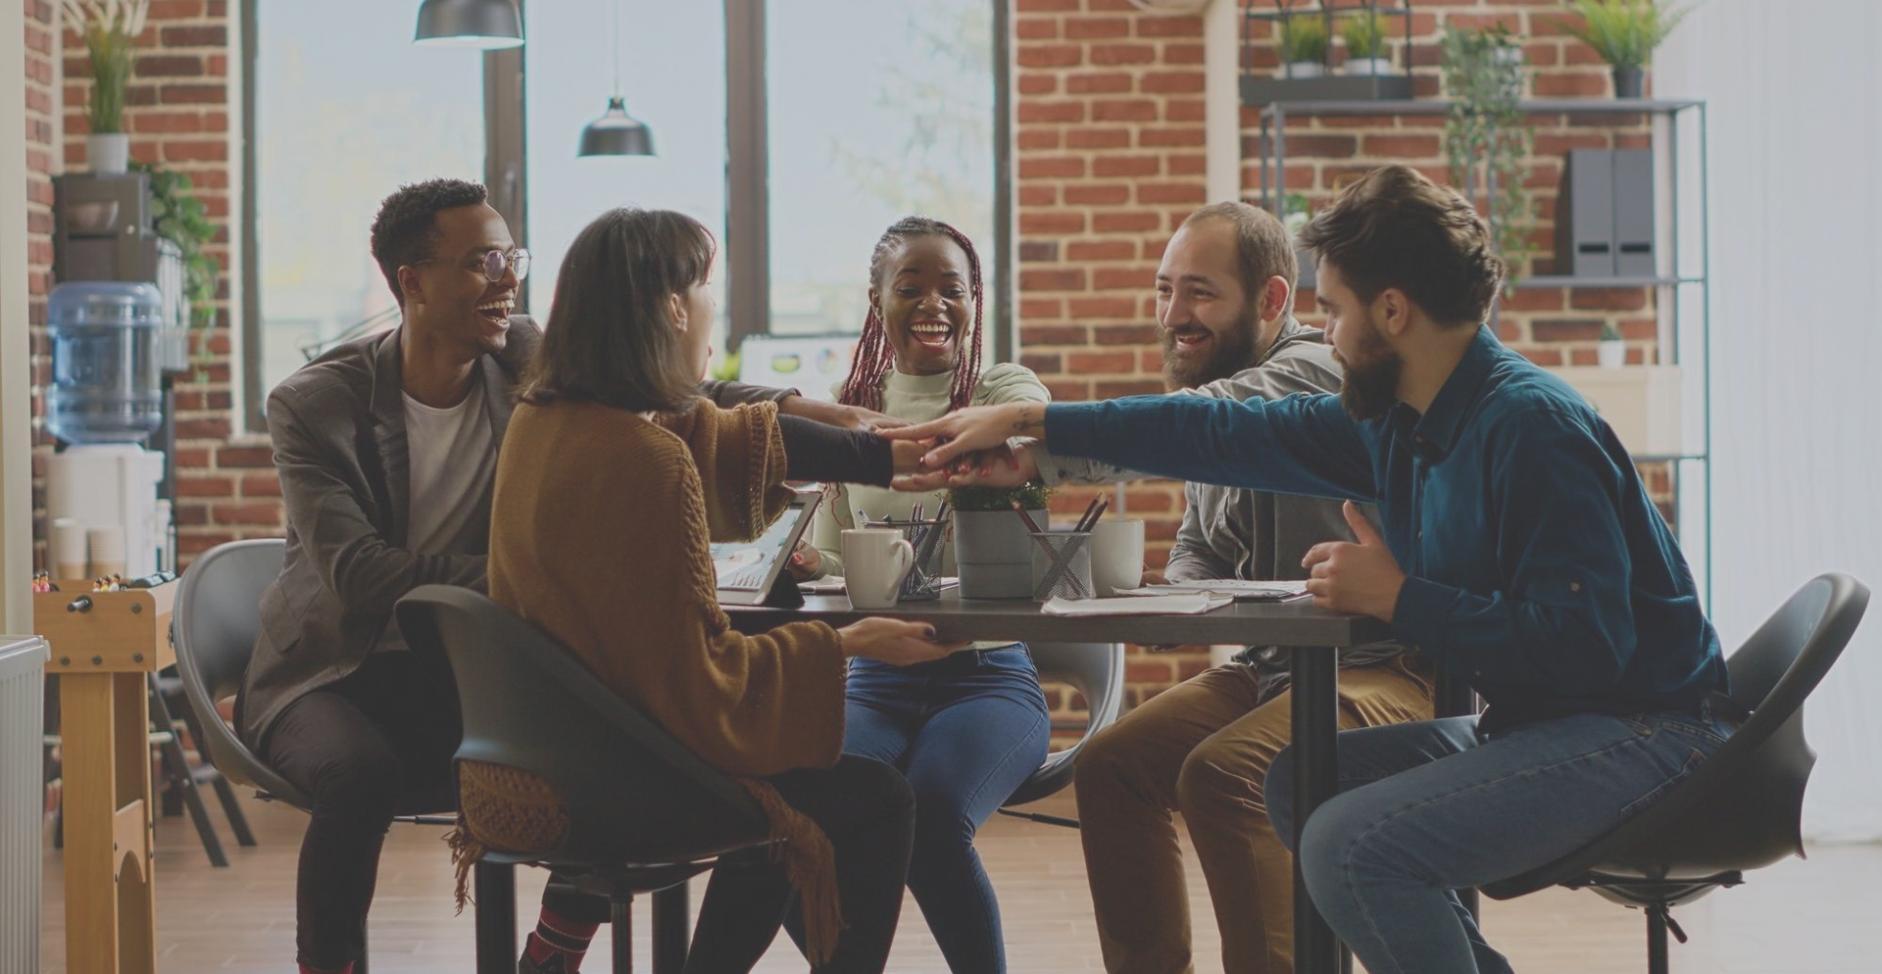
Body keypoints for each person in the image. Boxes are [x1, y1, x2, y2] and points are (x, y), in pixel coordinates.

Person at [887, 164, 1737, 974]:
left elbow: (1589, 648)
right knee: (1303, 784)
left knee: (1350, 845)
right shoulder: (1395, 422)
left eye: (1331, 310)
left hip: (1647, 733)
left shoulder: (1529, 427)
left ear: (1392, 312)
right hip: (1545, 721)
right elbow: (1216, 434)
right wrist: (1037, 426)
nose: (1326, 335)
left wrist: (1402, 599)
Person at [239, 179, 897, 974]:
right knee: (359, 777)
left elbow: (651, 382)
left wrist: (812, 408)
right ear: (412, 282)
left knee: (601, 713)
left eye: (511, 256)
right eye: (482, 260)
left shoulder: (521, 355)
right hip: (339, 664)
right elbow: (360, 575)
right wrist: (549, 571)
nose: (507, 277)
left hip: (470, 657)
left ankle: (558, 940)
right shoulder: (317, 404)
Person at [483, 207, 966, 974]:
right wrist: (844, 644)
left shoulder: (543, 421)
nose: (716, 310)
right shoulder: (647, 459)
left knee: (796, 775)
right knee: (872, 799)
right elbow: (703, 684)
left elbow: (708, 427)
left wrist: (874, 456)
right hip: (622, 776)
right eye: (709, 288)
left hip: (547, 751)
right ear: (674, 307)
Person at [1032, 201, 1430, 974]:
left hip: (1394, 666)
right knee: (1111, 766)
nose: (1174, 315)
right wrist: (1174, 599)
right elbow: (1198, 545)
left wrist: (1041, 438)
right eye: (1163, 290)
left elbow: (1204, 421)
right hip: (1278, 668)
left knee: (1225, 775)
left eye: (1200, 293)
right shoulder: (1221, 392)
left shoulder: (1314, 375)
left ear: (1274, 301)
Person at [794, 216, 1051, 974]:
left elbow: (1034, 419)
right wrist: (802, 557)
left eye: (953, 288)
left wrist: (1001, 433)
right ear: (879, 301)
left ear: (976, 300)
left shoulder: (998, 388)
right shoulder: (851, 412)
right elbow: (838, 560)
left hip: (988, 677)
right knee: (801, 813)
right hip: (874, 679)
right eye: (911, 287)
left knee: (933, 822)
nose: (934, 303)